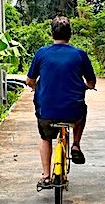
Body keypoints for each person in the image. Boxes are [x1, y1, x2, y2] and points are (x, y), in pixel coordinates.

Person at [26, 16, 96, 189]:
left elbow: (29, 80)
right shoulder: (80, 54)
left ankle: (46, 175)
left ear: (52, 34)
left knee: (45, 138)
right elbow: (91, 82)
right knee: (82, 111)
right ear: (70, 34)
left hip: (46, 111)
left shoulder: (42, 53)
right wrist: (85, 86)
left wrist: (36, 89)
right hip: (73, 111)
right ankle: (76, 145)